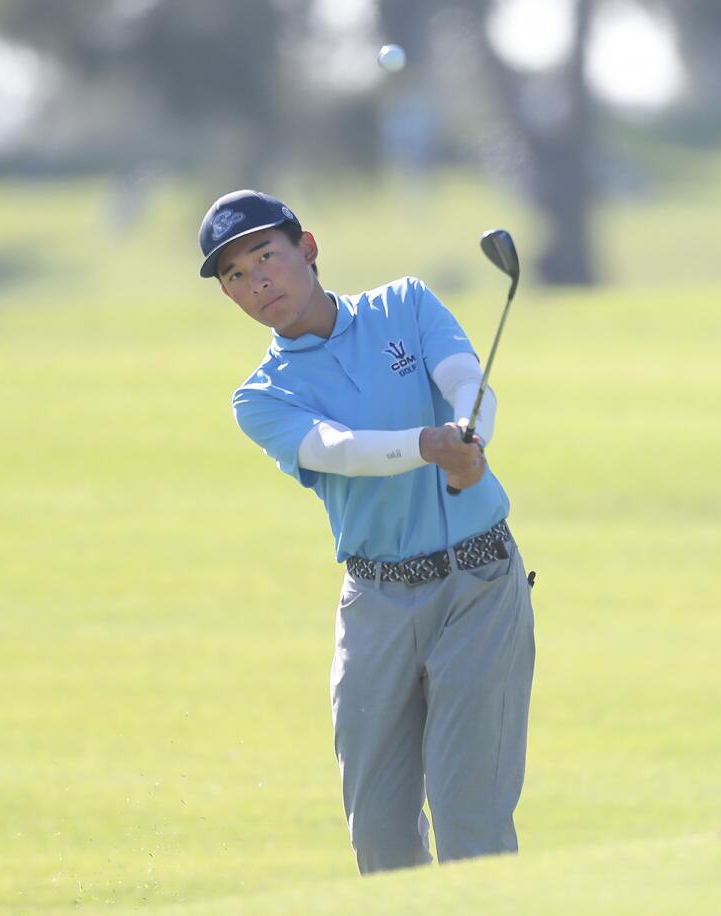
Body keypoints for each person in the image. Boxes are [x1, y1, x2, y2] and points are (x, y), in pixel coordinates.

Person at [197, 189, 535, 874]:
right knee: (379, 838)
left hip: (479, 588)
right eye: (235, 274)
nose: (257, 280)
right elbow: (336, 448)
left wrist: (471, 435)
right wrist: (431, 445)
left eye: (266, 256)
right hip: (376, 603)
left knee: (471, 823)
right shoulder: (261, 397)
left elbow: (468, 380)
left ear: (309, 249)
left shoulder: (404, 305)